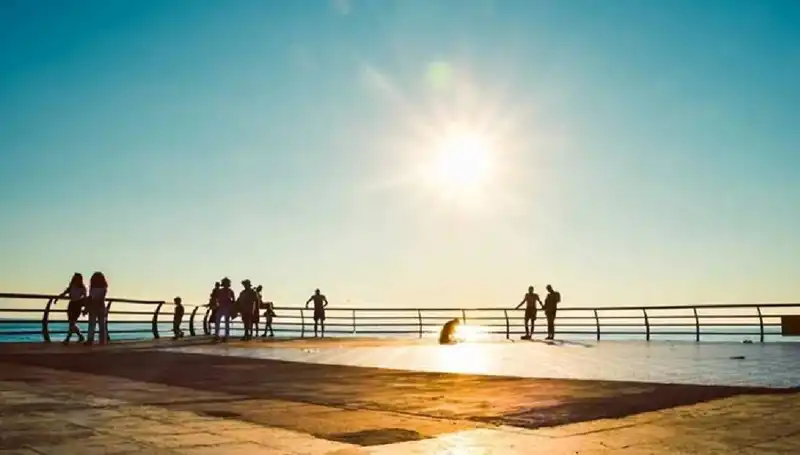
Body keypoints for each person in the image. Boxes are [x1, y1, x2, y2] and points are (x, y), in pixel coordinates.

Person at [58, 273, 87, 344]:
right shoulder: (72, 286)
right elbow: (65, 292)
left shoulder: (82, 288)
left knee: (72, 323)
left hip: (77, 305)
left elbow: (85, 297)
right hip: (71, 305)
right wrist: (57, 298)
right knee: (71, 323)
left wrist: (85, 307)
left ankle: (68, 339)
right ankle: (80, 336)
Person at [85, 272, 108, 346]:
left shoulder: (92, 287)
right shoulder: (104, 287)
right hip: (101, 306)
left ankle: (90, 340)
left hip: (93, 306)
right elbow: (102, 298)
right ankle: (102, 340)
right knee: (102, 324)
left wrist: (86, 307)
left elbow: (91, 298)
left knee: (92, 324)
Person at [214, 277, 235, 342]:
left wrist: (231, 305)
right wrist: (217, 304)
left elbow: (233, 300)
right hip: (220, 307)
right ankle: (217, 335)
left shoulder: (230, 291)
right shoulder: (220, 291)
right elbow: (216, 298)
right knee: (217, 321)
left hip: (227, 308)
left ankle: (226, 336)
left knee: (226, 322)